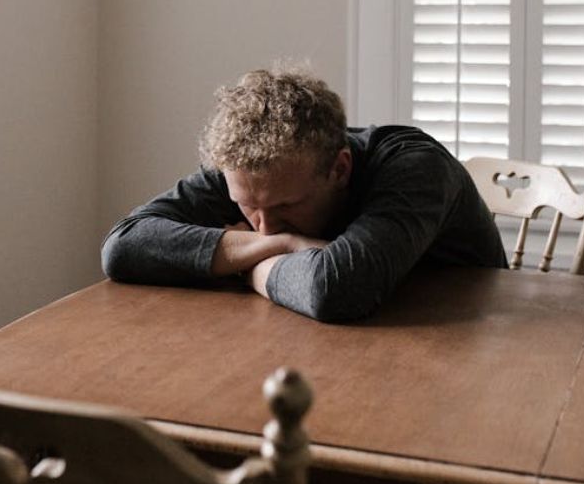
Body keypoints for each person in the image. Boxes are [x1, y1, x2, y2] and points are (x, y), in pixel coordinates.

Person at [101, 66, 506, 322]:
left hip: (479, 343)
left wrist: (247, 266)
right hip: (342, 340)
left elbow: (336, 289)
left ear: (340, 168)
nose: (265, 227)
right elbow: (123, 247)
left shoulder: (415, 166)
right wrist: (286, 245)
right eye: (248, 207)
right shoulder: (250, 171)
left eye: (286, 208)